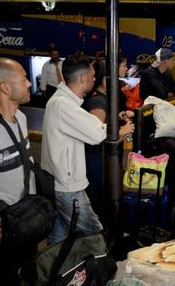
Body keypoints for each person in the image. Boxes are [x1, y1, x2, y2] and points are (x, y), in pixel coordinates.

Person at [41, 54, 107, 245]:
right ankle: (101, 271)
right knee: (94, 234)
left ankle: (54, 272)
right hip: (67, 186)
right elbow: (96, 134)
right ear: (83, 78)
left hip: (60, 183)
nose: (95, 79)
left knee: (59, 237)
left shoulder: (64, 102)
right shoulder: (63, 105)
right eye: (93, 75)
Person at [0, 57, 36, 284]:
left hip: (25, 223)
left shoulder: (21, 118)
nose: (29, 84)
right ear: (5, 87)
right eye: (24, 78)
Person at [83, 59, 135, 217]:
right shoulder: (98, 101)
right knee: (98, 196)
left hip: (99, 156)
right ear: (106, 79)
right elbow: (96, 132)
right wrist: (121, 131)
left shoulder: (102, 98)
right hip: (96, 157)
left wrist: (120, 115)